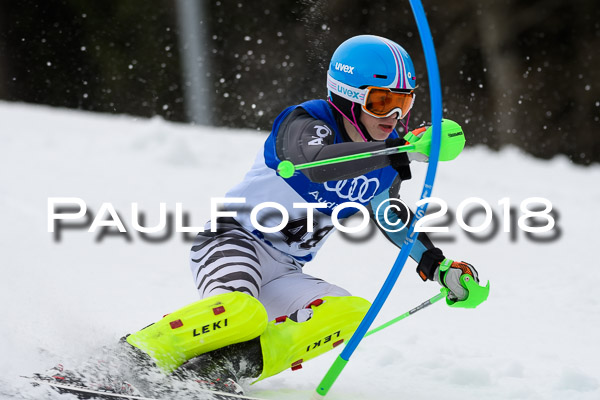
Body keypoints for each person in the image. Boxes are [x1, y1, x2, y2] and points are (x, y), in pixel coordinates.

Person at [124, 34, 481, 394]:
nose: (393, 116)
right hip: (234, 240)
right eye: (381, 101)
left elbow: (388, 213)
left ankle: (217, 370)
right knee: (241, 312)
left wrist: (437, 264)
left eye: (403, 102)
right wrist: (394, 151)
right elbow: (316, 164)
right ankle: (130, 359)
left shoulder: (389, 153)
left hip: (287, 269)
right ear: (348, 96)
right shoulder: (306, 122)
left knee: (351, 312)